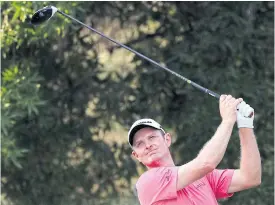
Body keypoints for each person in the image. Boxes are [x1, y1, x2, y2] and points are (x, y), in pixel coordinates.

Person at [127, 95, 261, 205]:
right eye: (140, 144)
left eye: (152, 137)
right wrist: (227, 121)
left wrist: (245, 125)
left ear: (167, 139)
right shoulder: (147, 181)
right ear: (136, 155)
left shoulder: (202, 176)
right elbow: (206, 163)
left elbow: (250, 177)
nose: (148, 145)